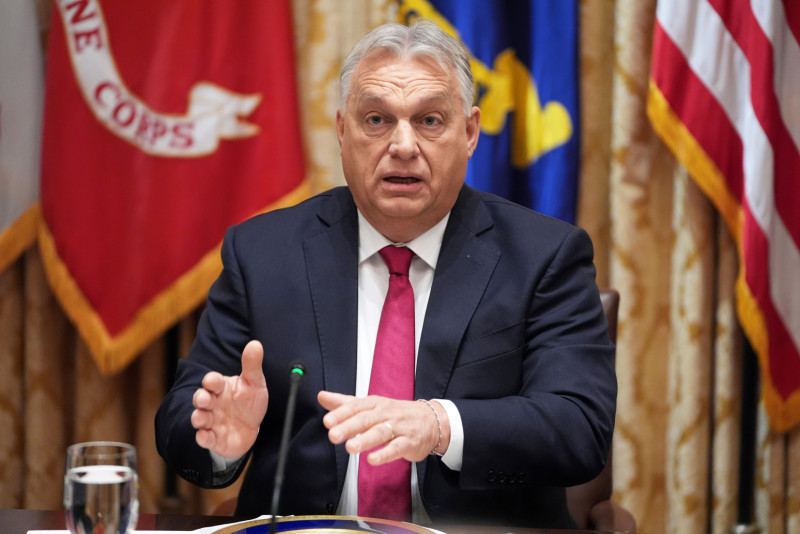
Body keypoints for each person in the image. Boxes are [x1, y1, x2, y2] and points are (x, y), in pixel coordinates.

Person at [155, 19, 616, 529]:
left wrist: (439, 425)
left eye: (429, 120)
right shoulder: (262, 253)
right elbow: (181, 422)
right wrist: (220, 440)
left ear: (469, 133)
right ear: (342, 130)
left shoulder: (544, 256)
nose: (402, 145)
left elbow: (580, 429)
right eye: (376, 119)